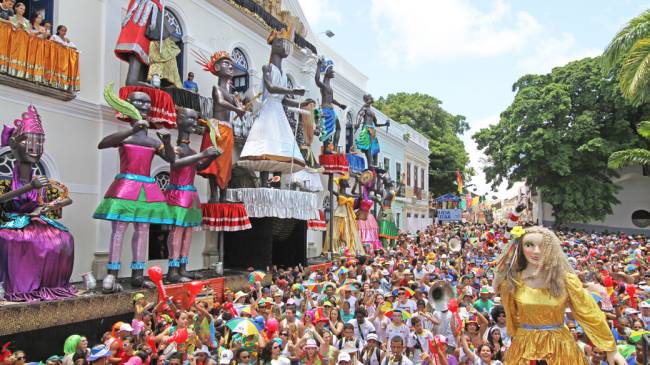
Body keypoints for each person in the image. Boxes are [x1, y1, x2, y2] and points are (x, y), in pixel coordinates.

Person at [494, 226, 626, 365]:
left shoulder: (566, 280)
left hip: (560, 347)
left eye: (543, 245)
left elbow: (589, 312)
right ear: (520, 248)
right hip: (524, 348)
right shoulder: (512, 282)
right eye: (529, 245)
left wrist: (611, 348)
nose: (536, 251)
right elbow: (511, 317)